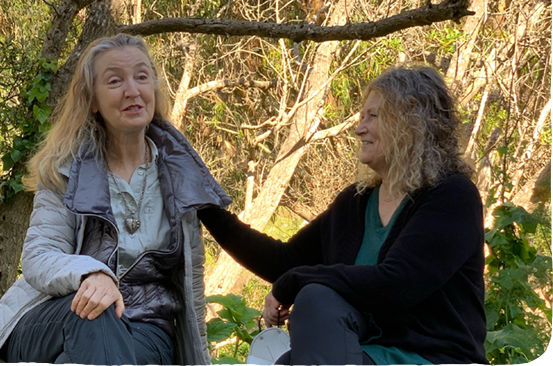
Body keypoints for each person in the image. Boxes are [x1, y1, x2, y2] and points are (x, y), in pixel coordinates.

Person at [198, 66, 489, 366]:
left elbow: (398, 284)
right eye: (361, 117)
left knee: (315, 300)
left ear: (411, 122)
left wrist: (296, 282)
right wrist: (203, 205)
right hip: (359, 356)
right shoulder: (356, 202)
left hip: (431, 360)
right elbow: (283, 262)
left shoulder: (453, 196)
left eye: (372, 116)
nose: (359, 128)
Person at [0, 34, 231, 366]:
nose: (132, 90)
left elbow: (213, 265)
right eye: (115, 81)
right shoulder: (66, 171)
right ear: (93, 100)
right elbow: (40, 257)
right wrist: (92, 274)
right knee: (93, 311)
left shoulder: (181, 176)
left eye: (142, 76)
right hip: (55, 316)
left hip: (145, 326)